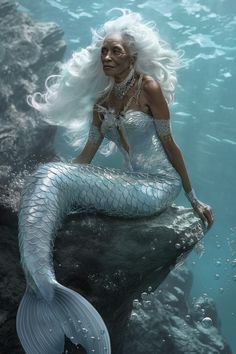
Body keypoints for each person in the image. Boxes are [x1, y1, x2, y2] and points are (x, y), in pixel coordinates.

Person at [16, 10, 214, 354]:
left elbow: (170, 144)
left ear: (132, 57)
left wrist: (192, 196)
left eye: (116, 51)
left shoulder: (148, 87)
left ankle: (47, 293)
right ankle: (41, 284)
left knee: (52, 176)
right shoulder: (101, 103)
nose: (107, 57)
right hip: (131, 182)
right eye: (103, 51)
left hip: (158, 186)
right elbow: (86, 157)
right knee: (48, 174)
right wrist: (62, 175)